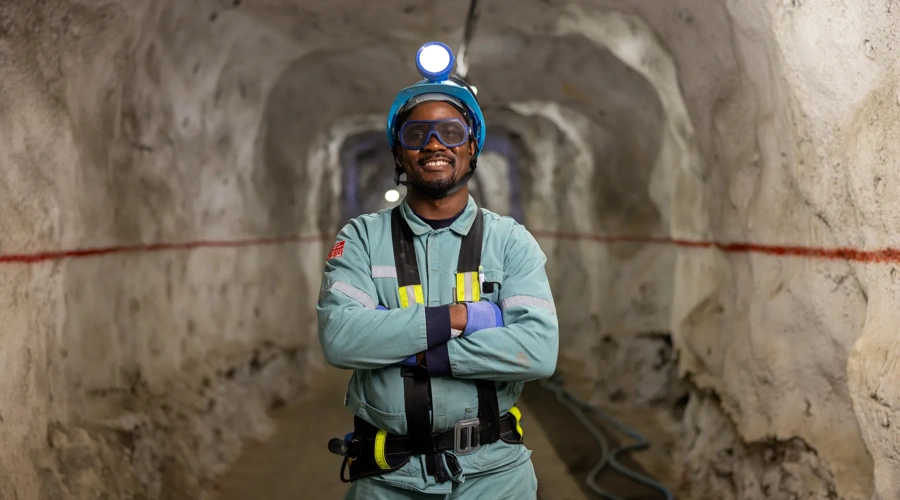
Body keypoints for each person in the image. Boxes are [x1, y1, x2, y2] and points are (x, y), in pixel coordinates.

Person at [318, 41, 559, 499]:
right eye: (416, 134)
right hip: (388, 482)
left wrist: (418, 353)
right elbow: (340, 338)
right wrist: (459, 318)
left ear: (471, 147)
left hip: (494, 478)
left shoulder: (510, 241)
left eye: (450, 132)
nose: (433, 144)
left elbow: (539, 350)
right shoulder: (362, 239)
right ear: (398, 154)